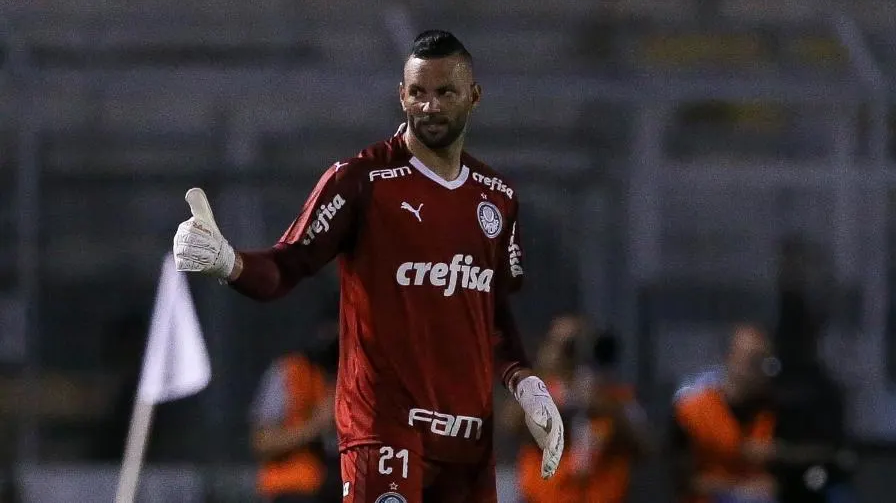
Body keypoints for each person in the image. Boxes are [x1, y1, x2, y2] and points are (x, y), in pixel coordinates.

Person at [172, 30, 564, 503]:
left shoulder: (496, 197)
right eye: (418, 93)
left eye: (445, 92)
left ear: (474, 97)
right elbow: (287, 265)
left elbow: (491, 312)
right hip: (385, 432)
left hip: (467, 440)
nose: (430, 106)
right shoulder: (360, 181)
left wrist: (525, 382)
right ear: (402, 95)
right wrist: (229, 262)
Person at [502, 315, 652, 503]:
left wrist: (605, 407)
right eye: (568, 346)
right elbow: (510, 424)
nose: (575, 354)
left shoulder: (614, 396)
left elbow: (644, 446)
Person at [670, 324, 780, 503]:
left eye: (765, 362)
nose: (759, 370)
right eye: (752, 360)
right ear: (730, 358)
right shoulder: (691, 410)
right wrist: (736, 489)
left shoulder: (772, 411)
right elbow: (679, 478)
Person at [250, 317, 342, 503]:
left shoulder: (367, 373)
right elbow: (261, 443)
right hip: (296, 490)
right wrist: (315, 425)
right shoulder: (292, 371)